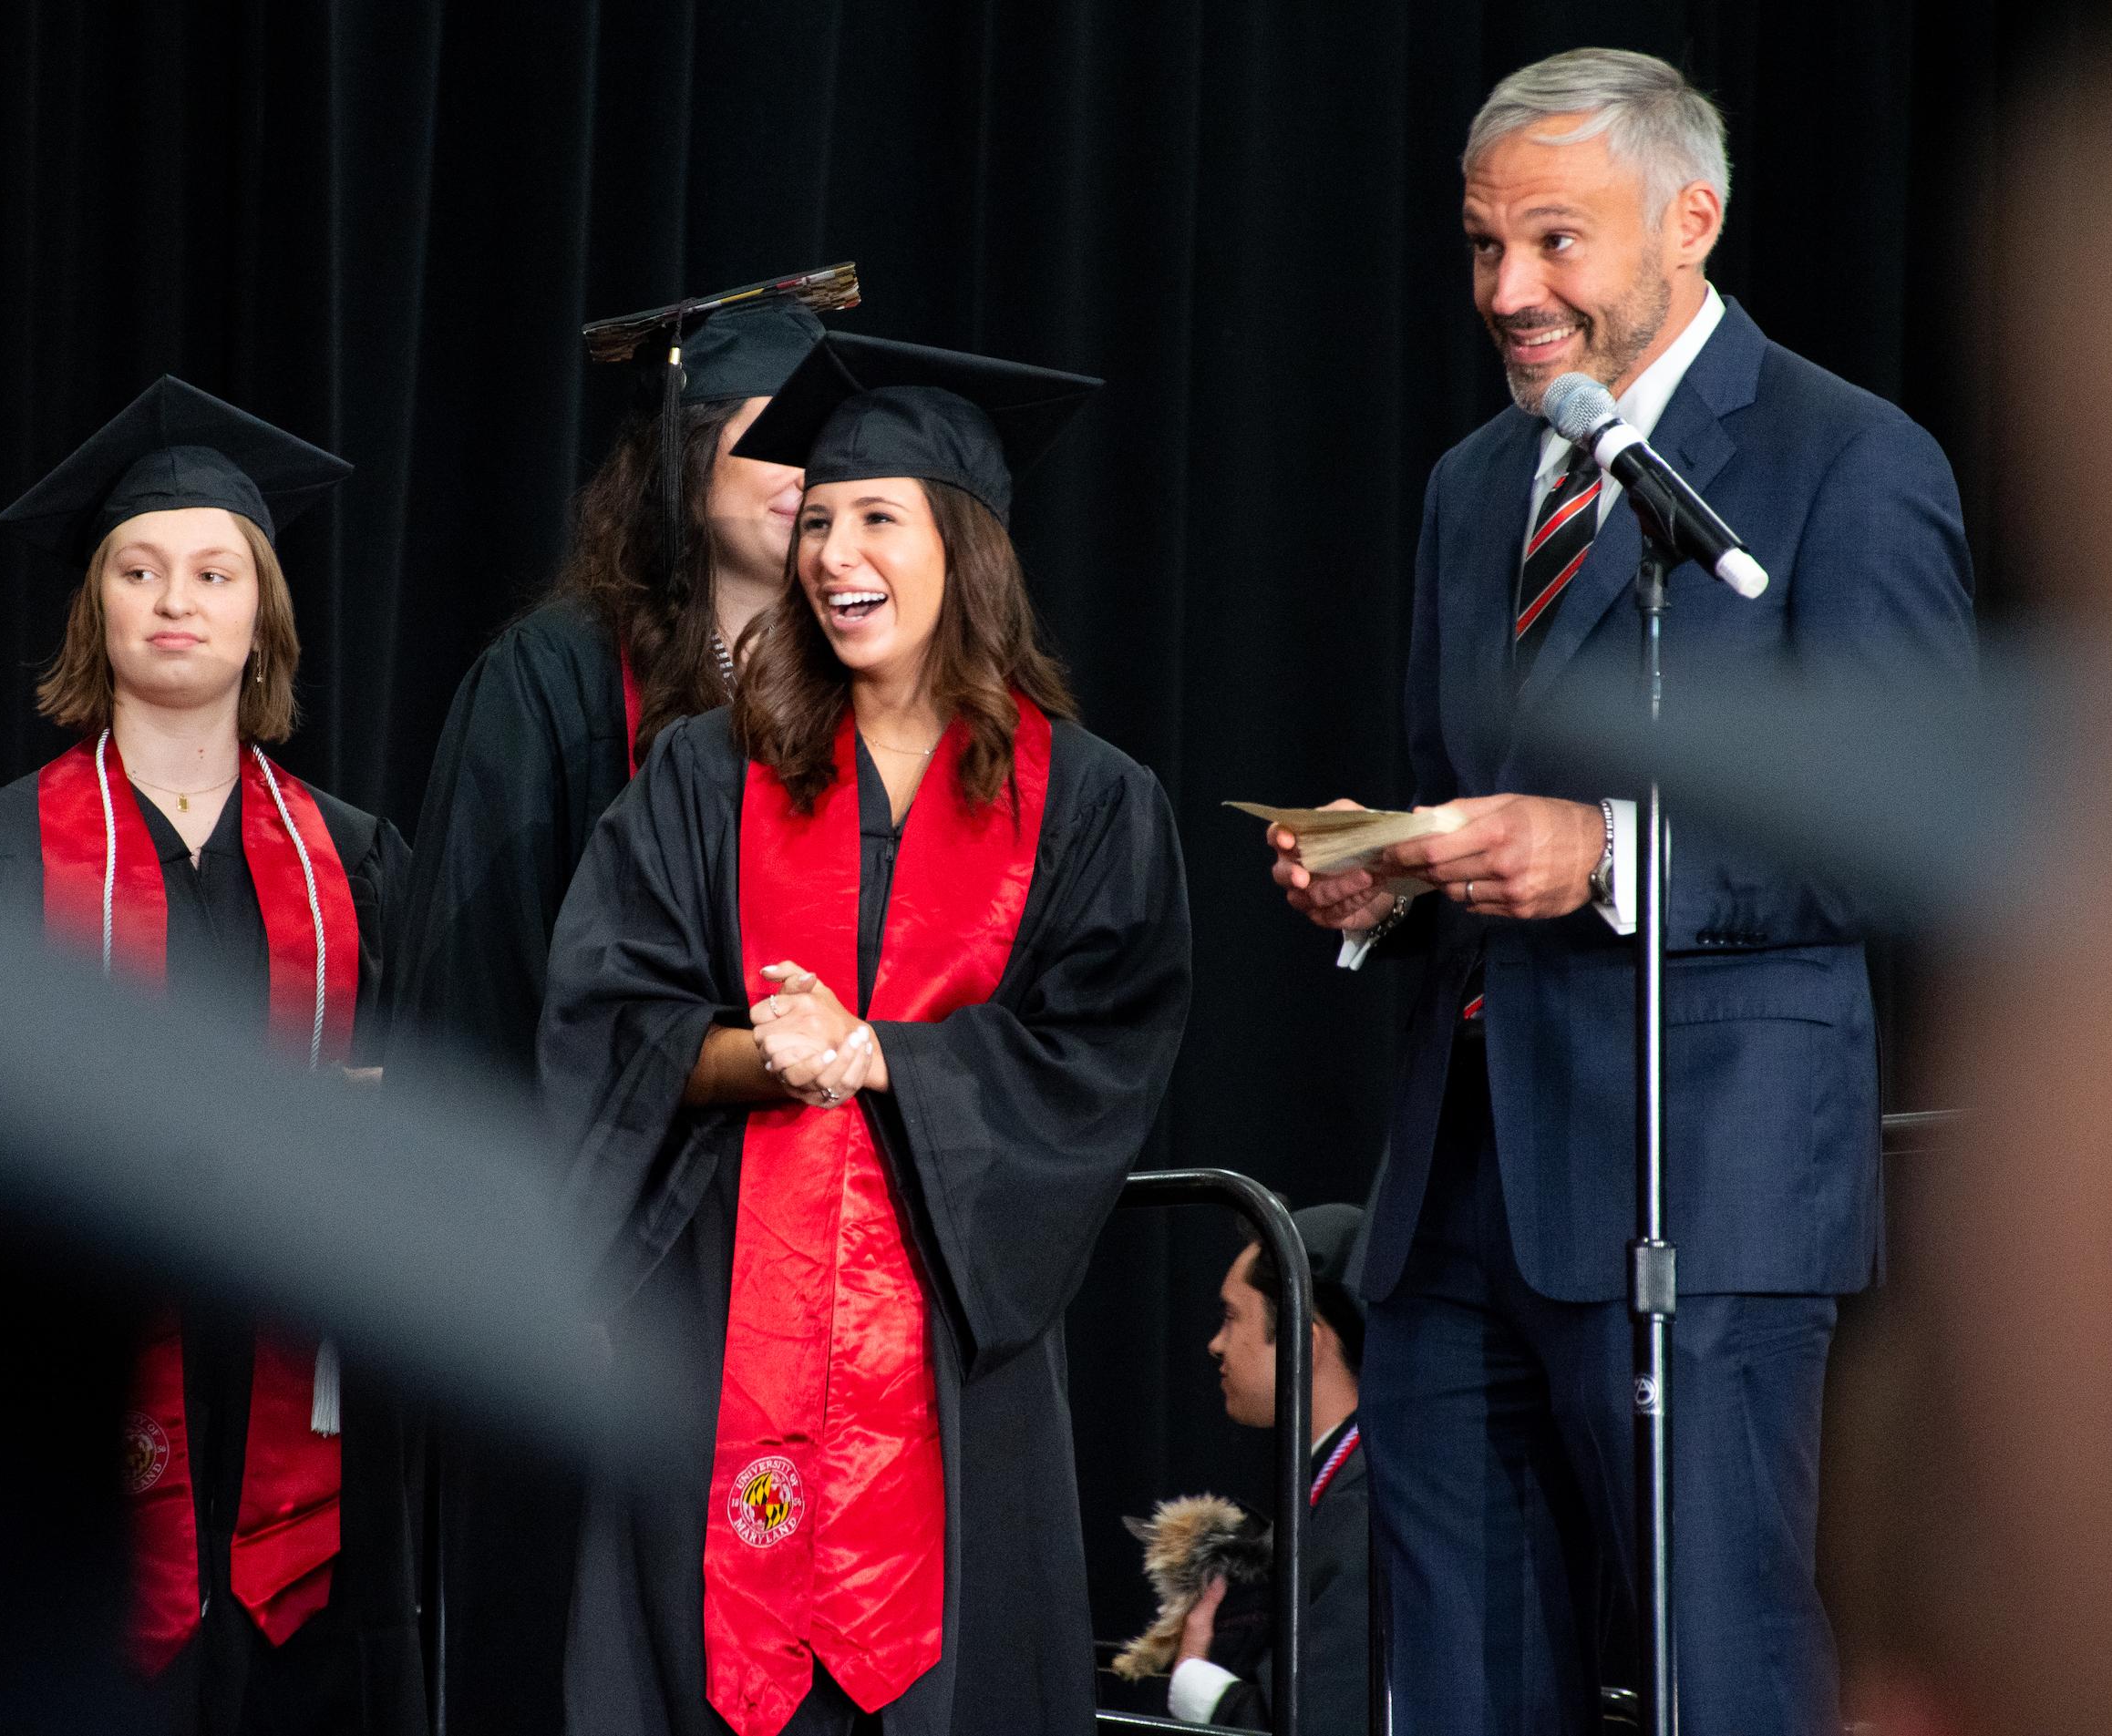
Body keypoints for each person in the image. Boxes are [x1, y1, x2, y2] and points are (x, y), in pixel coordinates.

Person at [1264, 49, 1976, 1735]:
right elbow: (1477, 791)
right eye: (1484, 247)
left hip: (1702, 1185)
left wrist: (1613, 856)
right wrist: (1395, 873)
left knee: (1714, 1668)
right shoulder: (1468, 486)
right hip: (1461, 1198)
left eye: (1558, 245)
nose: (1513, 293)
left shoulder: (1841, 463)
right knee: (1454, 1681)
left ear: (1692, 220)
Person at [539, 332, 1193, 1736]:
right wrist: (761, 1056)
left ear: (965, 548)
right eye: (817, 519)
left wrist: (888, 1053)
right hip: (718, 1317)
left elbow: (1105, 1050)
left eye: (876, 518)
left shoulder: (1087, 800)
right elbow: (607, 1012)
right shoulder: (706, 774)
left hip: (953, 1342)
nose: (835, 552)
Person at [0, 376, 422, 1736]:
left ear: (263, 613)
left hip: (295, 1378)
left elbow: (435, 1112)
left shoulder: (359, 864)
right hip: (63, 1364)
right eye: (139, 570)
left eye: (213, 570)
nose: (175, 597)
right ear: (98, 610)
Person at [388, 273, 849, 1735]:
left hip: (801, 1269)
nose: (801, 485)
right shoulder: (551, 684)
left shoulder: (872, 697)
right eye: (767, 444)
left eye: (827, 457)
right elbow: (473, 993)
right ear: (681, 458)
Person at [1168, 1204, 1370, 1731]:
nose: (1215, 1343)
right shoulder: (1341, 1483)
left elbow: (1314, 1723)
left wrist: (1193, 1680)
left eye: (1232, 1317)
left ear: (1304, 1341)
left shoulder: (1364, 1506)